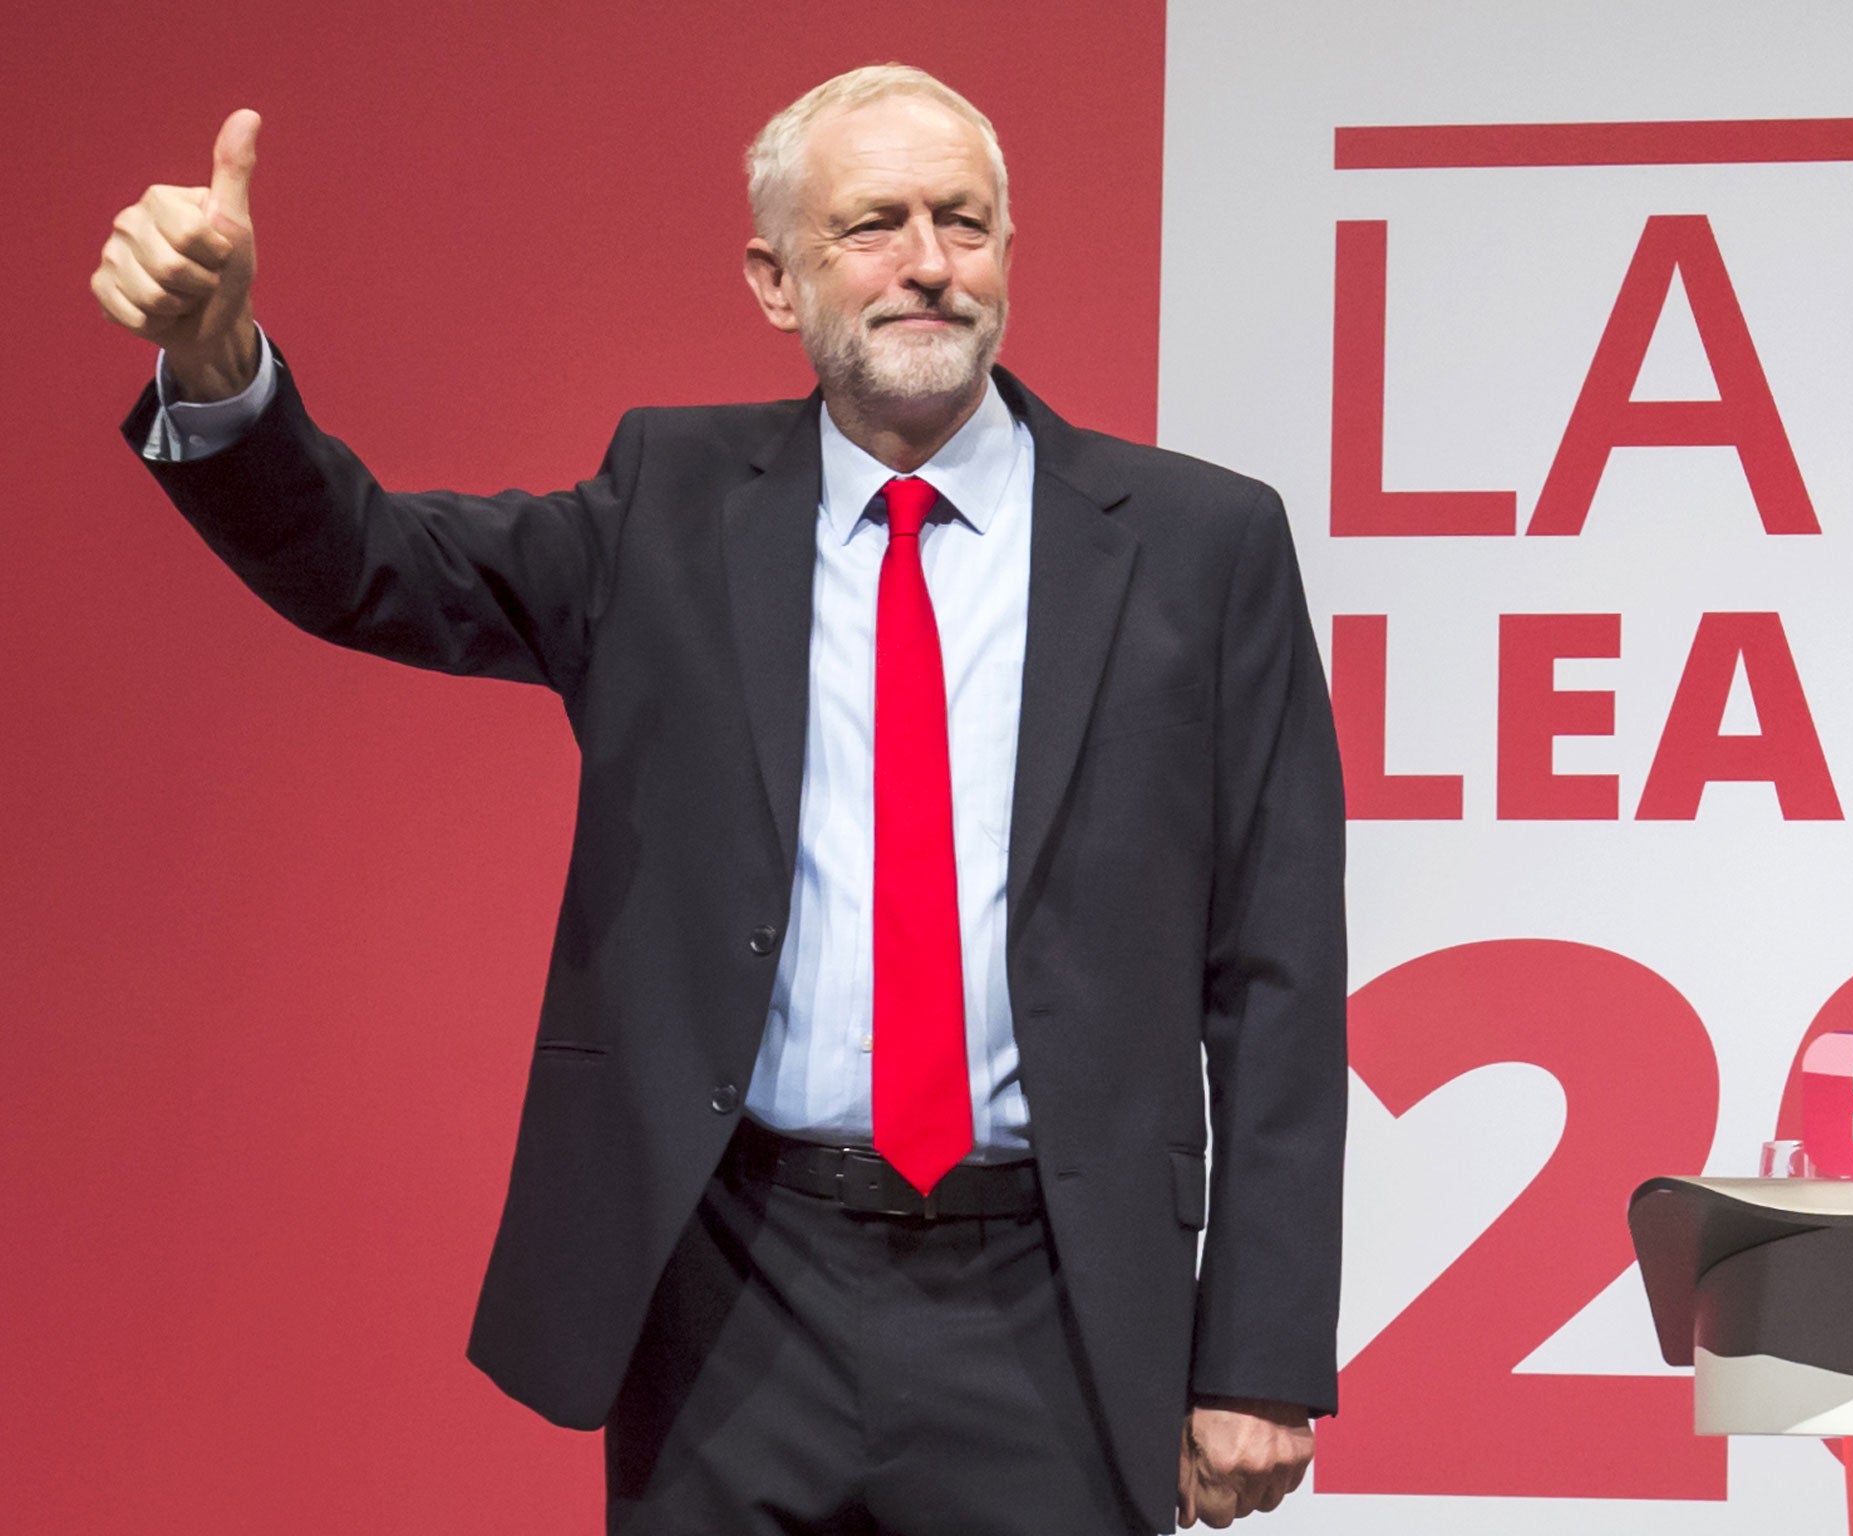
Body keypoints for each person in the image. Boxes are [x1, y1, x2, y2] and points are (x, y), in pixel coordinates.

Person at [92, 66, 1346, 1536]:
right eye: (873, 225)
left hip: (1057, 1304)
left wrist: (1258, 1357)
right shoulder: (667, 504)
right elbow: (370, 565)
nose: (930, 264)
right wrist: (220, 360)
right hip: (736, 1293)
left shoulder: (1203, 545)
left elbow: (1277, 973)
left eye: (966, 222)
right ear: (775, 279)